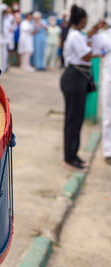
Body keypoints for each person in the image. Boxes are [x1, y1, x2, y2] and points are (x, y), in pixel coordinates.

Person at [60, 5, 100, 169]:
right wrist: (102, 51)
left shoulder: (76, 34)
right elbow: (86, 54)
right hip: (74, 78)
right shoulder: (75, 35)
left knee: (75, 119)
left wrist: (92, 34)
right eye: (85, 20)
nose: (86, 23)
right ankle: (70, 157)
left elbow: (85, 43)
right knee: (73, 120)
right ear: (80, 20)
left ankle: (72, 154)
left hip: (76, 77)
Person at [92, 21, 111, 165]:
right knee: (108, 117)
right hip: (108, 81)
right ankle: (108, 151)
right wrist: (95, 28)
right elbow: (87, 41)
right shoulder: (104, 37)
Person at [1, 5, 17, 72]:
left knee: (5, 52)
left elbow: (14, 27)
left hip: (7, 37)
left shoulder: (11, 18)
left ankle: (4, 66)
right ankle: (2, 66)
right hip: (1, 37)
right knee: (1, 52)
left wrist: (11, 30)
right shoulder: (1, 17)